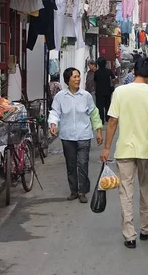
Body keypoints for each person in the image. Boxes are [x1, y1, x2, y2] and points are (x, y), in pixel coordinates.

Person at [100, 57, 148, 249]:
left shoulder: (120, 92)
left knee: (125, 191)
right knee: (146, 188)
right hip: (146, 148)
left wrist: (107, 147)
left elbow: (112, 121)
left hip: (124, 148)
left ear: (133, 71)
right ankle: (146, 228)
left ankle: (129, 235)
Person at [49, 67, 103, 203]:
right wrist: (53, 124)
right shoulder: (60, 97)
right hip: (67, 136)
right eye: (74, 77)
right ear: (68, 80)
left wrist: (98, 130)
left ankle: (82, 191)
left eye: (78, 76)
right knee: (71, 164)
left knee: (83, 163)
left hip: (84, 134)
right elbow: (55, 112)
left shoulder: (86, 96)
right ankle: (73, 190)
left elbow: (94, 112)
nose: (77, 79)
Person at [94, 57, 115, 123]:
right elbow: (113, 79)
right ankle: (108, 118)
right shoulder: (108, 71)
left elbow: (95, 80)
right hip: (108, 91)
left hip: (99, 92)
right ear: (105, 63)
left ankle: (101, 119)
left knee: (99, 106)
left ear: (98, 64)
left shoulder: (96, 72)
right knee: (107, 105)